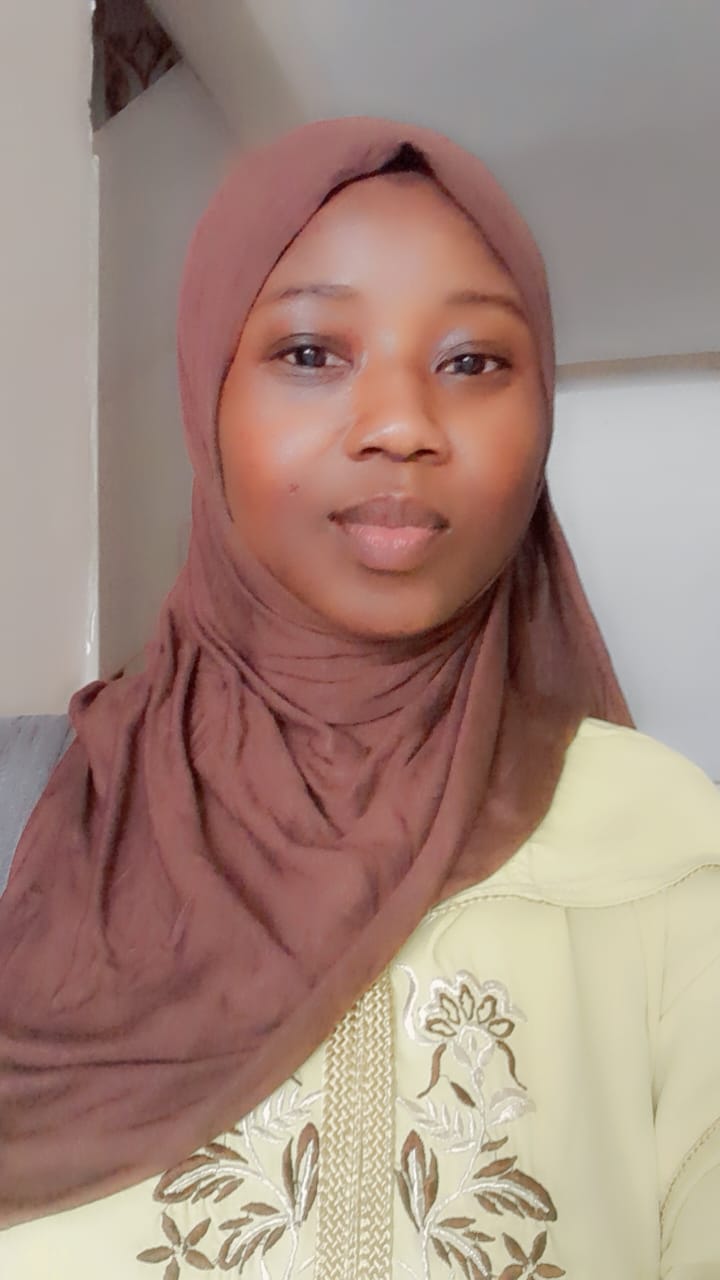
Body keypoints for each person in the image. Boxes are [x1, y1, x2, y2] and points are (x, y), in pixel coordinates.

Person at [0, 116, 718, 1279]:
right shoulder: (28, 828)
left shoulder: (666, 854)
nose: (400, 426)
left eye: (472, 362)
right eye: (310, 352)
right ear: (206, 397)